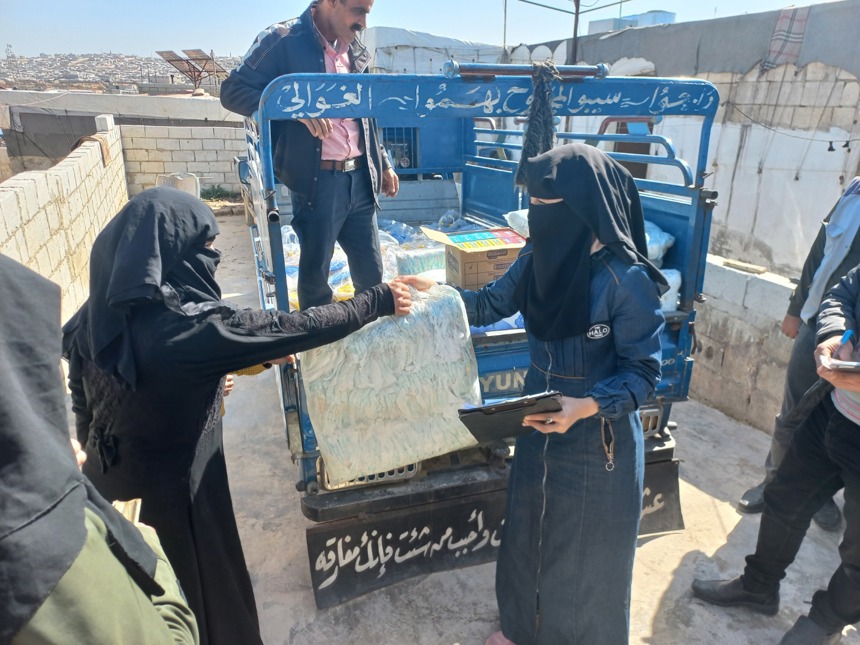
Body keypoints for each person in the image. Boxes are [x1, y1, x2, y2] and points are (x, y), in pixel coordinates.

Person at [61, 187, 412, 645]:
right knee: (205, 602)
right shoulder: (186, 325)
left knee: (139, 604)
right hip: (179, 501)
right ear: (173, 251)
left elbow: (89, 402)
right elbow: (294, 327)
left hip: (109, 491)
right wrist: (379, 299)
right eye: (205, 247)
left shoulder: (94, 315)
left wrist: (206, 385)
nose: (213, 256)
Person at [401, 143, 667, 645]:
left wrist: (584, 406)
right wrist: (433, 293)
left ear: (583, 208)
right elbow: (488, 304)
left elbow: (644, 375)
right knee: (527, 535)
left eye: (547, 207)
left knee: (587, 560)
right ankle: (522, 629)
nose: (536, 218)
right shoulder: (537, 254)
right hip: (538, 422)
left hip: (597, 442)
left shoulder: (625, 281)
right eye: (533, 206)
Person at [0, 254, 199, 645]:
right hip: (151, 483)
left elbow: (81, 404)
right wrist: (141, 545)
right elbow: (170, 635)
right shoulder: (42, 549)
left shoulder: (89, 325)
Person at [692, 263, 860, 644]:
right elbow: (844, 293)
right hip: (835, 412)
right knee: (785, 498)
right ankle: (759, 586)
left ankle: (825, 621)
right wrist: (835, 334)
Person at [220, 0, 399, 309]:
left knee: (371, 276)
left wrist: (382, 161)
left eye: (368, 12)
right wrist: (296, 107)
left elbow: (366, 114)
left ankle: (369, 342)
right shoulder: (281, 39)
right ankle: (320, 348)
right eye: (359, 10)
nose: (364, 23)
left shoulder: (355, 50)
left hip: (361, 178)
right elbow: (232, 91)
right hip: (319, 182)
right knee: (316, 279)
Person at [738, 177, 860, 532]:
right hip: (819, 325)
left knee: (837, 424)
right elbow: (821, 251)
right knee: (793, 413)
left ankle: (817, 495)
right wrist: (796, 307)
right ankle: (773, 483)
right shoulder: (853, 190)